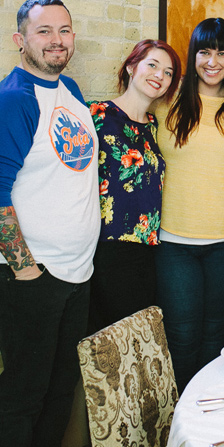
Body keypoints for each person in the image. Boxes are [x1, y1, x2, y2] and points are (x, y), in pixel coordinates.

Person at [0, 0, 100, 447]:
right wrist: (25, 269)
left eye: (64, 30)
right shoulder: (10, 101)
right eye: (43, 31)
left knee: (58, 393)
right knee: (23, 398)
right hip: (28, 275)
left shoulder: (71, 93)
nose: (56, 40)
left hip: (74, 275)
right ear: (19, 39)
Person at [155, 17, 224, 392]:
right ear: (193, 55)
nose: (213, 61)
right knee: (181, 338)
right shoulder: (169, 99)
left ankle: (206, 412)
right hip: (175, 243)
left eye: (222, 52)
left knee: (215, 336)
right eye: (205, 51)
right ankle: (180, 424)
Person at [85, 39, 181, 335]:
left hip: (148, 250)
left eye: (168, 73)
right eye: (152, 65)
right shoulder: (96, 115)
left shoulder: (154, 125)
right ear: (131, 67)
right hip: (108, 247)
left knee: (140, 341)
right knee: (113, 340)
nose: (159, 76)